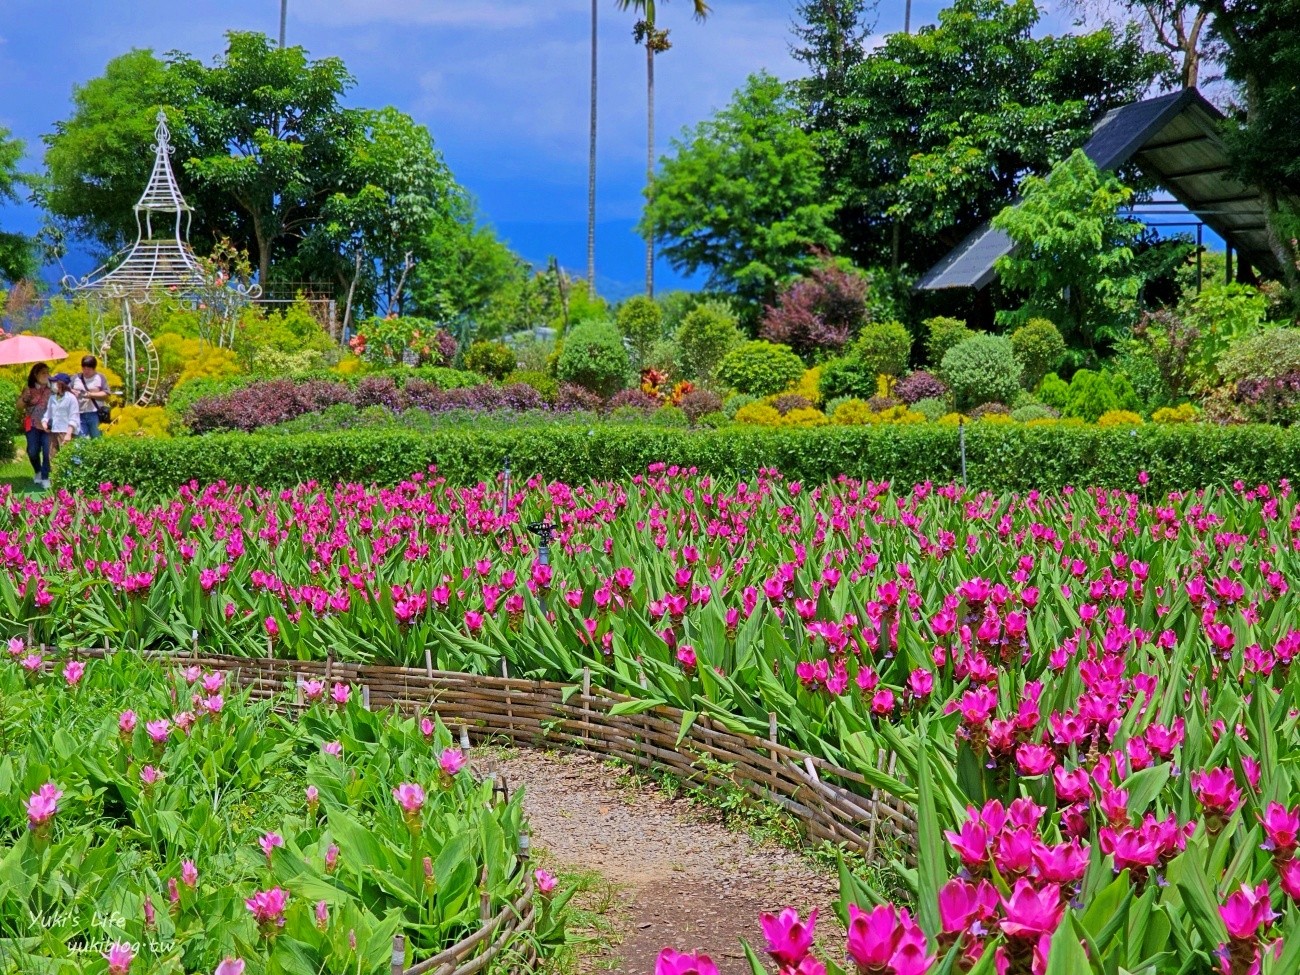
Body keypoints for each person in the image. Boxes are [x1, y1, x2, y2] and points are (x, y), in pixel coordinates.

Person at [17, 363, 51, 488]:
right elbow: (19, 407)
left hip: (48, 425)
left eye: (47, 372)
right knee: (32, 451)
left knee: (47, 451)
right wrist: (25, 398)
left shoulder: (52, 388)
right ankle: (37, 470)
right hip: (32, 424)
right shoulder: (28, 389)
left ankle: (45, 475)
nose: (46, 375)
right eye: (43, 372)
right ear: (35, 375)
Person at [42, 373, 80, 466]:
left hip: (65, 431)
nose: (53, 385)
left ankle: (68, 479)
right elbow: (48, 413)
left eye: (55, 382)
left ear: (61, 384)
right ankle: (55, 480)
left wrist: (68, 434)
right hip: (54, 431)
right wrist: (44, 421)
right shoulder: (52, 398)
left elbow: (73, 417)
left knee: (67, 458)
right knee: (53, 458)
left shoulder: (71, 398)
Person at [72, 354, 109, 438]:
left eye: (89, 369)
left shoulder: (100, 377)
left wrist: (90, 395)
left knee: (97, 439)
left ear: (94, 368)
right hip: (79, 413)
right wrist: (73, 392)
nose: (86, 371)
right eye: (84, 368)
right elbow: (67, 389)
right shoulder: (76, 377)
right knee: (80, 441)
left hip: (94, 413)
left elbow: (106, 393)